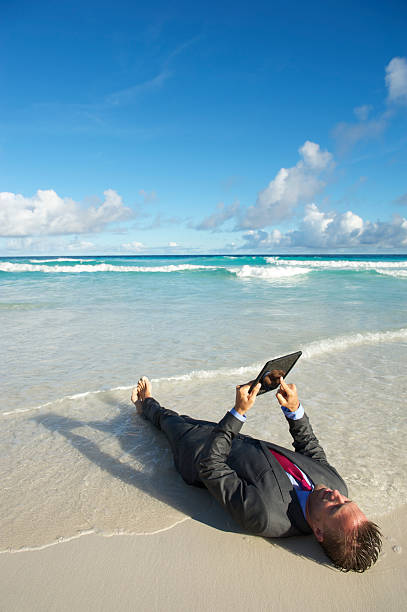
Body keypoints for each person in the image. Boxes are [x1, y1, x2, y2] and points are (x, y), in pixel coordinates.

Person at [131, 375, 382, 572]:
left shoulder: (266, 515)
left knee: (169, 421)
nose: (337, 494)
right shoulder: (337, 487)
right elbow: (311, 449)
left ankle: (144, 406)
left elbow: (210, 466)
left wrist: (238, 413)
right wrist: (294, 410)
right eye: (346, 501)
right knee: (184, 418)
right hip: (234, 437)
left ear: (318, 532)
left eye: (335, 507)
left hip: (197, 451)